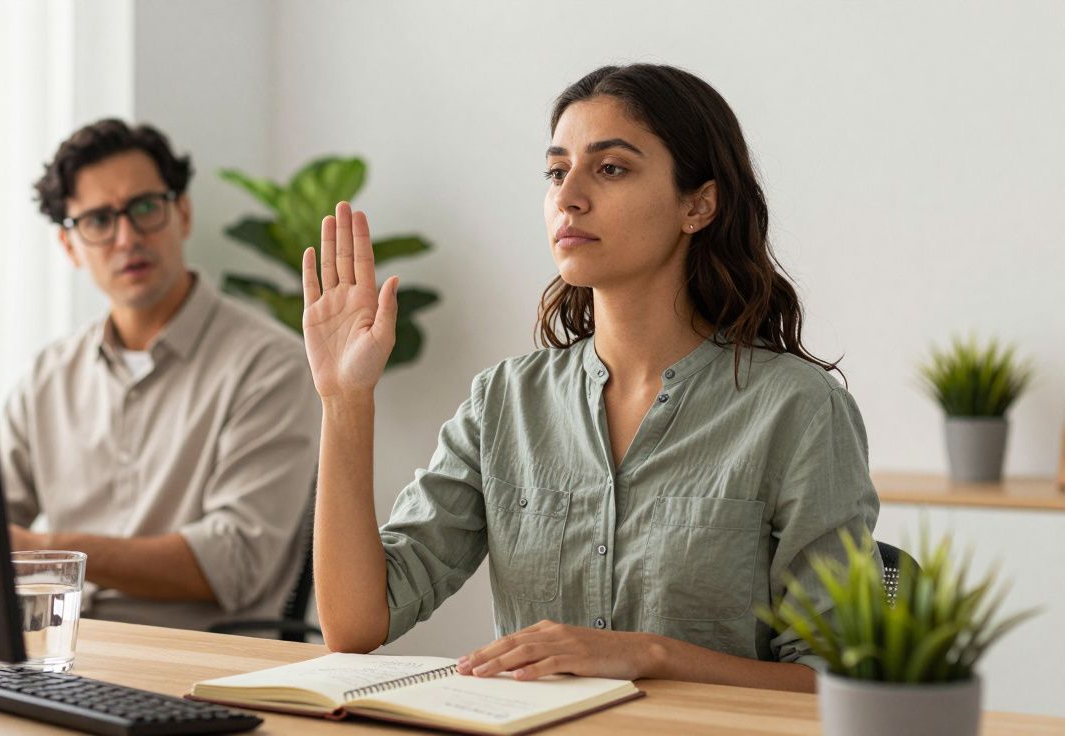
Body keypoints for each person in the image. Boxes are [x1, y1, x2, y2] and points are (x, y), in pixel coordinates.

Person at [301, 64, 878, 692]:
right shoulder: (504, 403)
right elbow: (355, 626)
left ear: (698, 204)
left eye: (610, 169)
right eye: (556, 171)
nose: (567, 196)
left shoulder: (797, 409)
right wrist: (344, 399)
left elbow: (841, 686)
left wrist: (650, 656)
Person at [0, 119, 321, 631]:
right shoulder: (48, 375)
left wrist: (49, 552)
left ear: (183, 213)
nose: (127, 237)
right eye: (99, 220)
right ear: (69, 246)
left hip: (200, 665)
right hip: (61, 651)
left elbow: (235, 562)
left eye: (145, 208)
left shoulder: (270, 364)